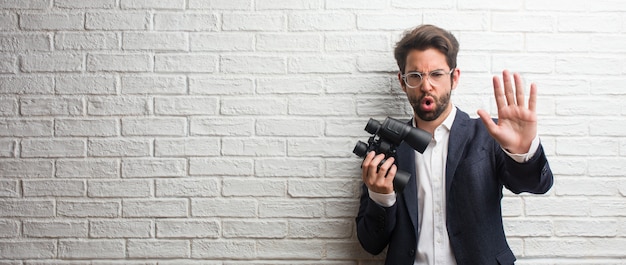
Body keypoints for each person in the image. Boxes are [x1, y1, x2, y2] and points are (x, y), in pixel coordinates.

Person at [355, 24, 554, 265]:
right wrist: (380, 197)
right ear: (402, 82)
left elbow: (537, 185)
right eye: (415, 76)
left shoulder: (490, 134)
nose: (426, 85)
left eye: (436, 74)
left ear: (454, 77)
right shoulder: (385, 150)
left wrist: (523, 152)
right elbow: (371, 244)